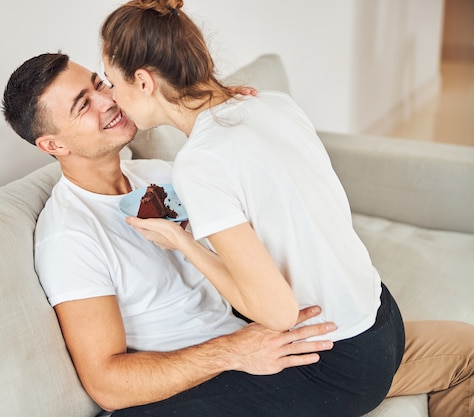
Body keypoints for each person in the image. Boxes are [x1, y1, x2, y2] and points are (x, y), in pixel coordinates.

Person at [1, 52, 474, 417]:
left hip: (275, 337)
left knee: (468, 353)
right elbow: (106, 382)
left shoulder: (161, 173)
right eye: (84, 105)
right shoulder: (71, 236)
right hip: (228, 372)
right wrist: (233, 351)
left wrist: (235, 111)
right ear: (53, 144)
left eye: (100, 84)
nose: (107, 100)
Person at [100, 0, 404, 415]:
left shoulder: (201, 162)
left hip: (339, 364)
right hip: (384, 319)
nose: (113, 98)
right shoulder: (272, 104)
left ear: (143, 80)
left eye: (111, 83)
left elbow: (278, 313)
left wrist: (183, 243)